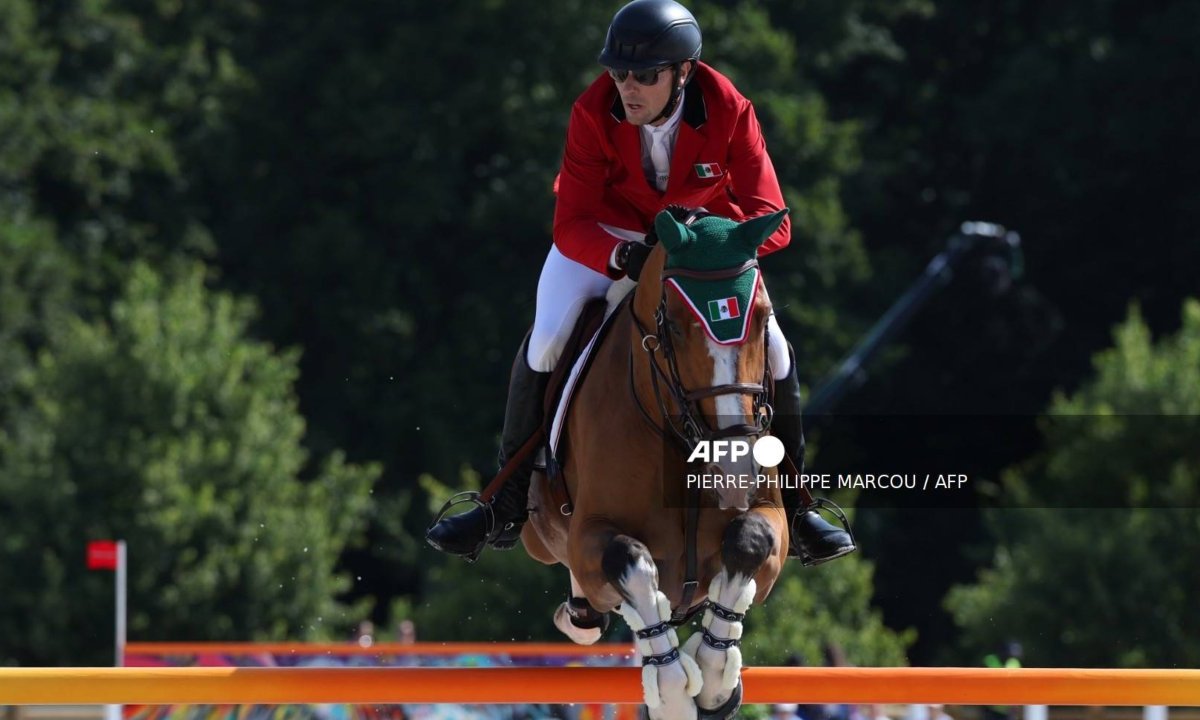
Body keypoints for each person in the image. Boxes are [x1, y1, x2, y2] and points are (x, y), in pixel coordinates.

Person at [426, 0, 855, 565]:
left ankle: (797, 509)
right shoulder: (592, 111)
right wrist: (624, 255)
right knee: (548, 336)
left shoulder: (729, 108)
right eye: (619, 73)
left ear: (683, 73)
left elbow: (773, 219)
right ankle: (502, 501)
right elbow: (570, 222)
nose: (628, 87)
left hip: (700, 250)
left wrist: (702, 244)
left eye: (646, 76)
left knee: (775, 350)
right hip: (608, 238)